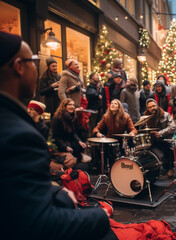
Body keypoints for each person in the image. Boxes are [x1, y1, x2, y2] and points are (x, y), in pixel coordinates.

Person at [0, 31, 116, 239]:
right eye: (33, 61)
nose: (36, 69)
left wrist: (58, 193)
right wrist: (100, 216)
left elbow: (17, 194)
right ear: (18, 66)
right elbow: (37, 223)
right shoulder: (18, 135)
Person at [144, 98, 176, 177]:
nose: (152, 108)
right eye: (150, 107)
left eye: (153, 106)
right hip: (153, 141)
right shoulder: (145, 117)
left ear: (157, 105)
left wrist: (160, 133)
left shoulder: (165, 115)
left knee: (170, 149)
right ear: (147, 109)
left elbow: (173, 127)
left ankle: (170, 168)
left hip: (165, 139)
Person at [51, 98, 87, 164]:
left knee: (81, 146)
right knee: (72, 152)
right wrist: (65, 147)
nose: (72, 107)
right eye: (69, 105)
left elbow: (73, 132)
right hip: (59, 141)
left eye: (73, 105)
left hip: (68, 139)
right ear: (64, 106)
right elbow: (55, 137)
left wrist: (79, 141)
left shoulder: (73, 117)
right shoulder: (57, 118)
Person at [86, 72, 103, 136]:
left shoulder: (99, 86)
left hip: (99, 108)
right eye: (96, 75)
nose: (98, 76)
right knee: (91, 126)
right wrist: (98, 95)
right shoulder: (90, 86)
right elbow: (90, 92)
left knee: (97, 125)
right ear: (92, 77)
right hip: (92, 109)